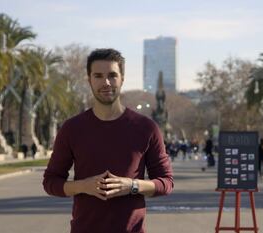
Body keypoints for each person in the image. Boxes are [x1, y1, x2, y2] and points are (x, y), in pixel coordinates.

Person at [42, 48, 174, 233]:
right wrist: (83, 186)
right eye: (98, 76)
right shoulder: (72, 129)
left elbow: (166, 182)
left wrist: (132, 186)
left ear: (122, 78)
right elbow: (51, 182)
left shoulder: (146, 128)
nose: (106, 82)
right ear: (89, 80)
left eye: (112, 75)